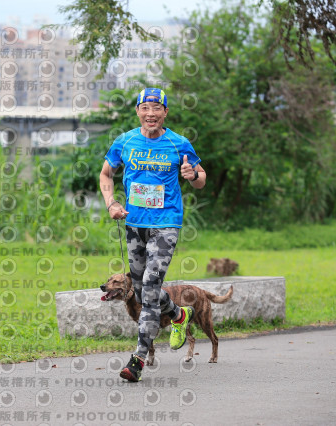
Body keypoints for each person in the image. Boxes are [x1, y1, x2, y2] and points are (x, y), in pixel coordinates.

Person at [99, 87, 206, 382]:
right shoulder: (125, 141)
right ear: (137, 111)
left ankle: (137, 360)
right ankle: (178, 315)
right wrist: (112, 203)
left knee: (149, 285)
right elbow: (106, 174)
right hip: (134, 224)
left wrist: (193, 176)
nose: (151, 113)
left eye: (157, 108)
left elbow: (201, 178)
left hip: (166, 223)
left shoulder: (179, 143)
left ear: (165, 113)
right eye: (145, 108)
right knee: (142, 287)